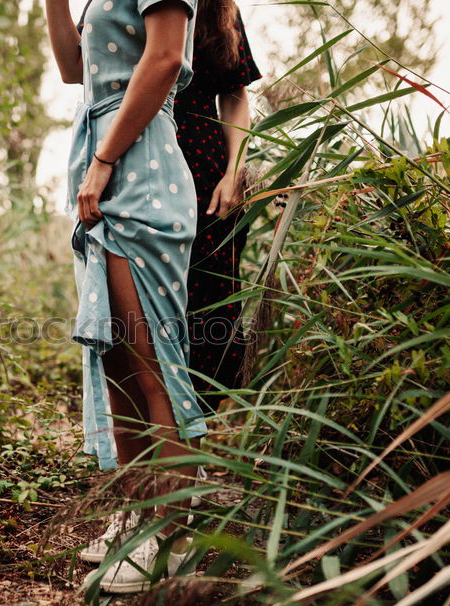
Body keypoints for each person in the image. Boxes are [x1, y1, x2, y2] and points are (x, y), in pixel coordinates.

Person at [45, 0, 206, 593]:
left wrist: (105, 159)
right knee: (116, 360)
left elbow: (163, 58)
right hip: (102, 164)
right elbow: (72, 69)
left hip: (138, 165)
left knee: (149, 362)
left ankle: (175, 534)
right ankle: (140, 518)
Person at [176, 0, 261, 407]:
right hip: (139, 157)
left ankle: (194, 438)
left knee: (208, 301)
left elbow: (235, 94)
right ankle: (144, 431)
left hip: (207, 172)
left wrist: (233, 173)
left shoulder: (219, 9)